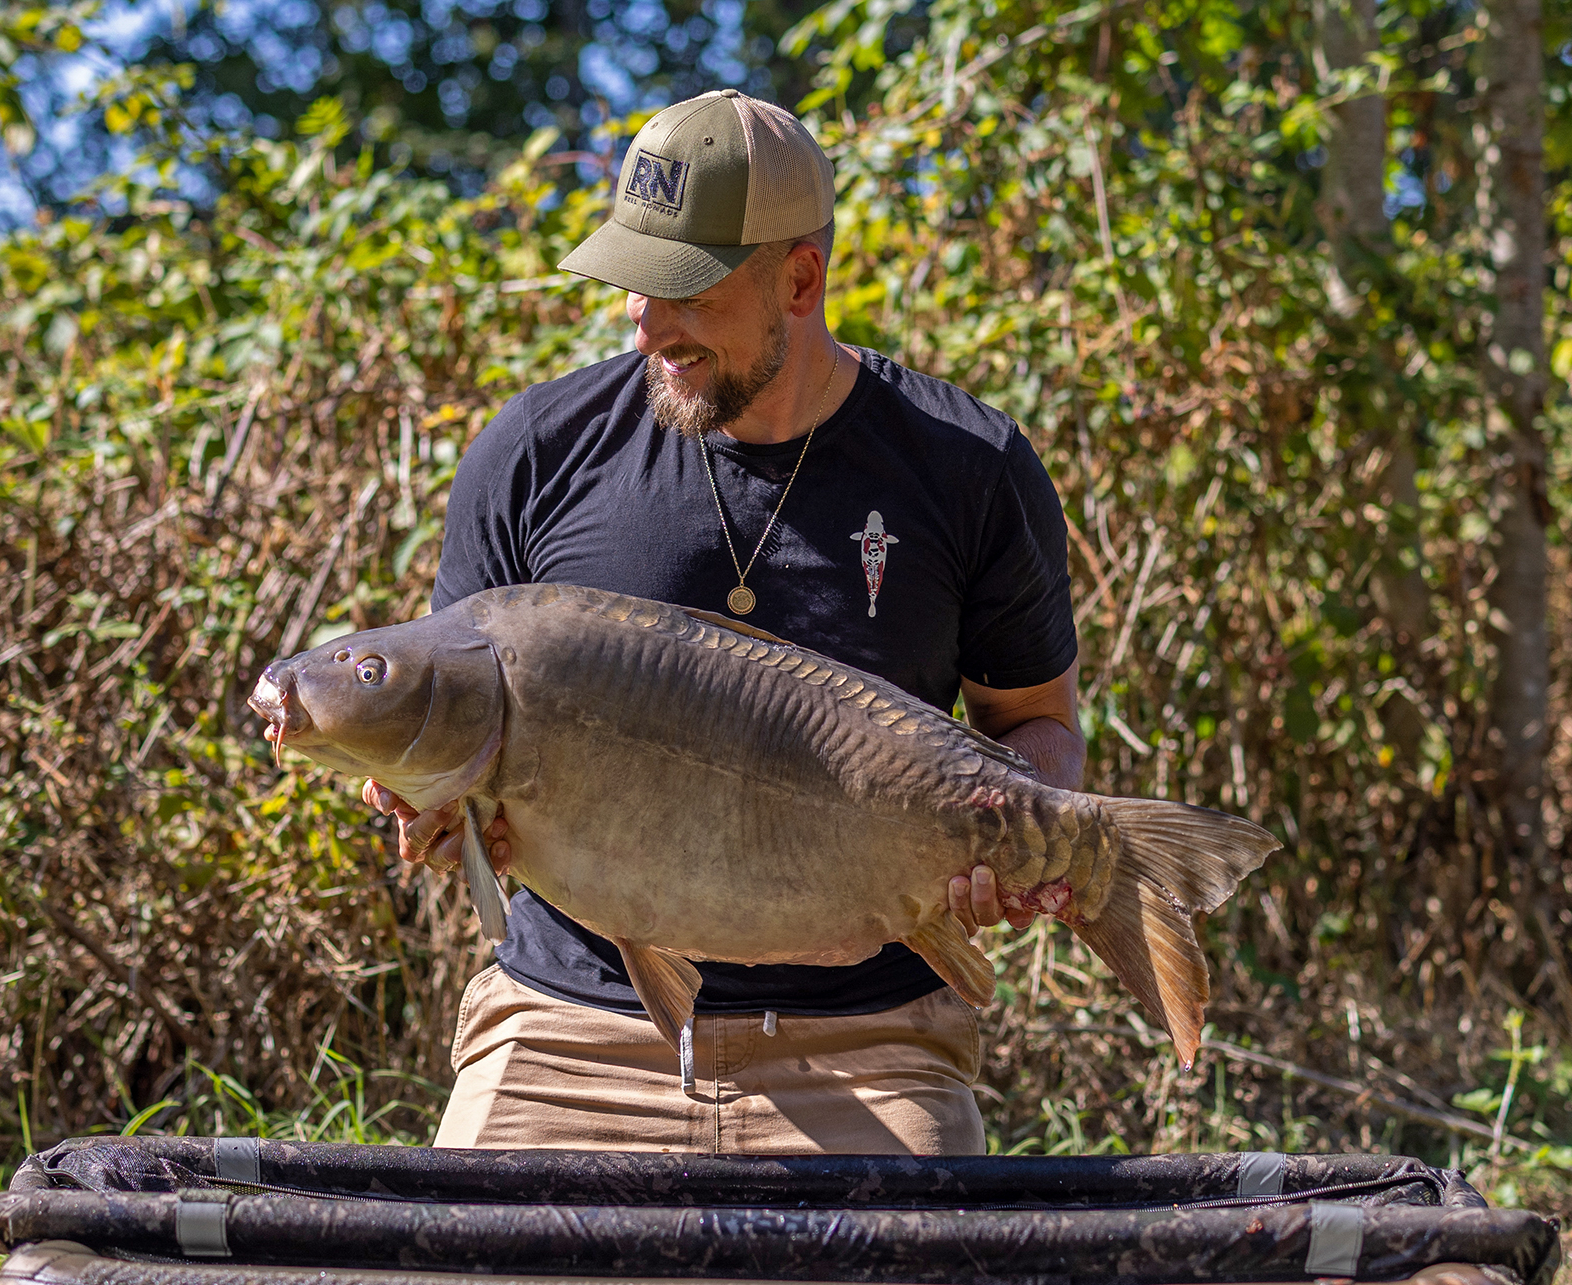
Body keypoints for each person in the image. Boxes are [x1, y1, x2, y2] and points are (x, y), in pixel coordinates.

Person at [364, 88, 1085, 1154]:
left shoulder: (967, 466)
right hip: (569, 1027)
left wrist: (1026, 835)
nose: (646, 323)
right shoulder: (535, 452)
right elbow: (461, 747)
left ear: (801, 279)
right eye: (634, 282)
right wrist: (435, 810)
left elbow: (1039, 726)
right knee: (454, 1245)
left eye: (687, 292)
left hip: (872, 1038)